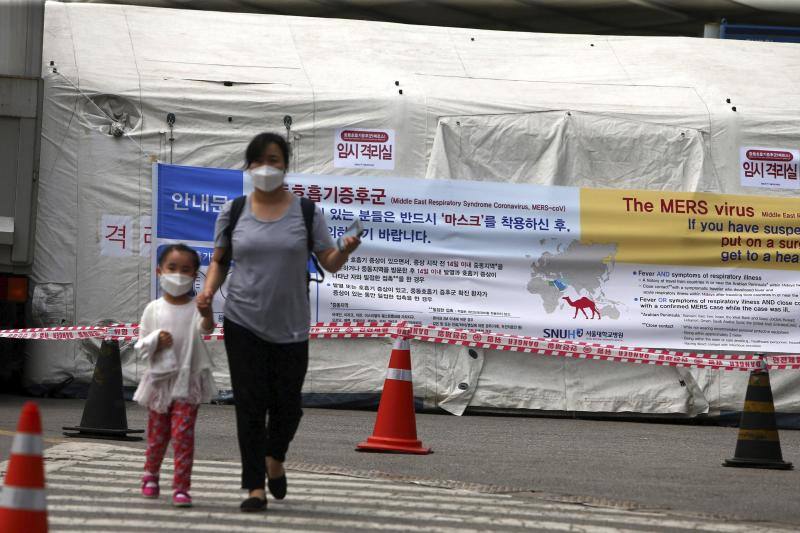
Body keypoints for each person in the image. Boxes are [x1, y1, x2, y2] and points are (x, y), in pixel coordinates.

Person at [197, 132, 360, 512]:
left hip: (291, 325)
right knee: (250, 405)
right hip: (242, 319)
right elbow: (220, 260)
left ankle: (275, 458)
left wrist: (346, 250)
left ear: (286, 165)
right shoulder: (234, 211)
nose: (266, 167)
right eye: (258, 161)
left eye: (274, 159)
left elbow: (329, 262)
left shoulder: (306, 212)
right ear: (249, 167)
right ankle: (254, 487)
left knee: (288, 406)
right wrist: (206, 292)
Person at [134, 244, 217, 508]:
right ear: (160, 271)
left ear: (195, 275)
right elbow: (141, 343)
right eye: (172, 268)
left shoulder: (195, 307)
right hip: (160, 381)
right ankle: (150, 476)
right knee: (157, 436)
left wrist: (206, 312)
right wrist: (156, 338)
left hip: (187, 380)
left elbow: (206, 329)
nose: (177, 274)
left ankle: (181, 487)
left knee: (183, 436)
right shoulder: (153, 309)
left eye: (185, 269)